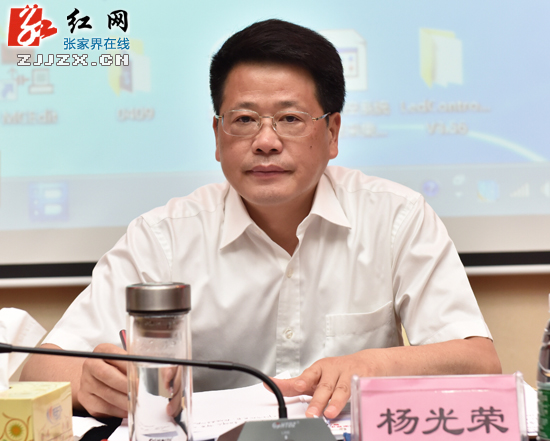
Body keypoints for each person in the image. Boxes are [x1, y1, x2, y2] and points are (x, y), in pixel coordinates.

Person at [21, 18, 501, 419]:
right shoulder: (163, 237)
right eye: (245, 119)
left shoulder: (396, 216)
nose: (266, 142)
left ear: (333, 132)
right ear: (218, 135)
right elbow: (40, 369)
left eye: (290, 119)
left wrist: (373, 365)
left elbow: (479, 361)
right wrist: (90, 382)